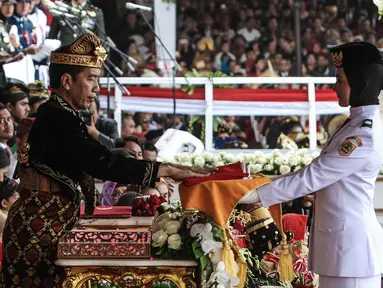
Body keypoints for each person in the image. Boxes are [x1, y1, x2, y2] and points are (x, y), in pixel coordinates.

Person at [0, 33, 211, 287]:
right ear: (67, 81)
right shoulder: (58, 117)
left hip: (45, 223)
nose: (97, 88)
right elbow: (101, 162)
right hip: (38, 231)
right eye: (90, 79)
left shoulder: (61, 113)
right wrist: (163, 169)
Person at [239, 42, 383, 288]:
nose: (334, 87)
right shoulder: (352, 124)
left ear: (361, 82)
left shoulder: (363, 135)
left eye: (340, 80)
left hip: (351, 253)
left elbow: (312, 178)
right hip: (340, 251)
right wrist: (258, 183)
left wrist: (251, 195)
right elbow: (311, 171)